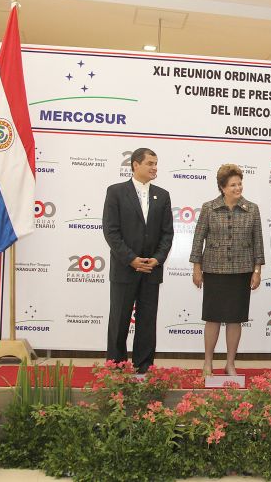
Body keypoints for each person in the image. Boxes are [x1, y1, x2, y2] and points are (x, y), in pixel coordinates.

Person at [103, 147, 174, 374]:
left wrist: (157, 259)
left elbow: (167, 234)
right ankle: (116, 369)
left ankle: (144, 368)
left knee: (146, 321)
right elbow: (111, 231)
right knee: (119, 320)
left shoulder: (162, 195)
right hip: (125, 269)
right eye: (150, 163)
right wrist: (131, 259)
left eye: (156, 163)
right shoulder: (115, 192)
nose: (155, 168)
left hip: (151, 270)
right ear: (135, 164)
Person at [190, 164, 265, 376]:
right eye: (233, 185)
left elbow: (257, 242)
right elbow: (198, 240)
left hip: (242, 272)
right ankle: (207, 363)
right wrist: (197, 268)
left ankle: (230, 363)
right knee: (212, 318)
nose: (238, 188)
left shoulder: (252, 209)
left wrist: (257, 271)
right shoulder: (208, 208)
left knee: (235, 319)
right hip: (214, 271)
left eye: (240, 183)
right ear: (222, 187)